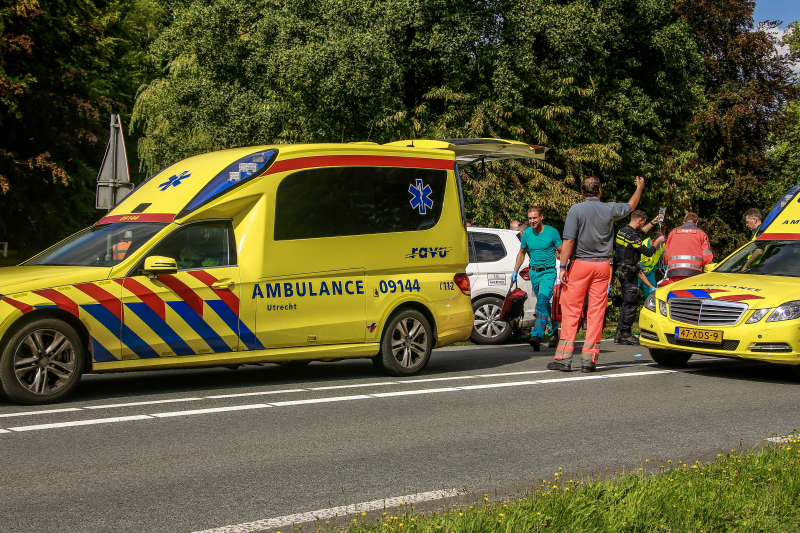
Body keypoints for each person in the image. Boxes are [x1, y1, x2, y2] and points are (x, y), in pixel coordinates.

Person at [548, 175, 644, 373]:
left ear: (582, 192)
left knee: (571, 310)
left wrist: (563, 266)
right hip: (602, 265)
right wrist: (640, 187)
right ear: (600, 191)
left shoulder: (576, 209)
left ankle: (563, 358)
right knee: (596, 311)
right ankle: (589, 360)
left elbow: (568, 241)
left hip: (580, 264)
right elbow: (631, 205)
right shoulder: (609, 208)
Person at [512, 207, 563, 351]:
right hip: (534, 273)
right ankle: (554, 334)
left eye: (535, 218)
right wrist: (515, 270)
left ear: (541, 217)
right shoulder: (527, 233)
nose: (532, 221)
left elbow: (562, 249)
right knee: (545, 305)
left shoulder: (552, 232)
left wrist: (564, 267)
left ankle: (537, 335)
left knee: (541, 301)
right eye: (530, 218)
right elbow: (521, 253)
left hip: (548, 273)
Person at [614, 211, 666, 345]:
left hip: (622, 270)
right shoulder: (632, 237)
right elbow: (648, 252)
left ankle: (619, 333)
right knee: (631, 303)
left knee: (626, 302)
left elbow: (640, 234)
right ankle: (626, 333)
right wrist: (657, 243)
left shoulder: (623, 231)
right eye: (643, 222)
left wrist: (654, 222)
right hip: (630, 272)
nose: (643, 225)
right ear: (639, 221)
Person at [663, 213, 713, 283]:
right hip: (694, 273)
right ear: (697, 222)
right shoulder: (701, 234)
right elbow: (707, 257)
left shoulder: (673, 233)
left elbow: (666, 254)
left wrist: (670, 265)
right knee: (691, 293)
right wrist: (703, 268)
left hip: (674, 272)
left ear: (684, 221)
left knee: (675, 293)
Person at [638, 230, 664, 298]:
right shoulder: (643, 248)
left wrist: (665, 265)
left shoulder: (661, 244)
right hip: (638, 274)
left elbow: (662, 254)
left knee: (652, 297)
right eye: (659, 245)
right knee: (632, 296)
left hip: (650, 271)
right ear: (653, 241)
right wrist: (650, 287)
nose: (661, 247)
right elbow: (638, 271)